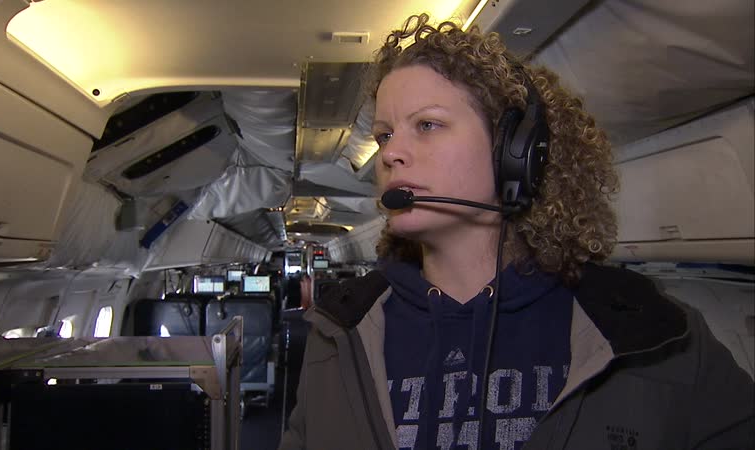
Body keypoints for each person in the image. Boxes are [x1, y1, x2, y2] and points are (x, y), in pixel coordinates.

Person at [278, 13, 754, 450]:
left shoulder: (653, 330)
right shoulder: (340, 332)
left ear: (515, 153)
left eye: (427, 125)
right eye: (384, 134)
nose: (390, 153)